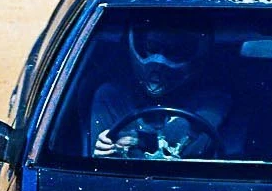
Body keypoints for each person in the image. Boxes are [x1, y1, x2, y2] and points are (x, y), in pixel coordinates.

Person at [89, 22, 234, 159]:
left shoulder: (213, 101)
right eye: (152, 47)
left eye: (174, 51)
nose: (158, 60)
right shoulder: (112, 96)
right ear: (141, 44)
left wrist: (137, 140)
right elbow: (102, 163)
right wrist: (103, 150)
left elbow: (181, 139)